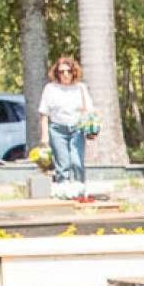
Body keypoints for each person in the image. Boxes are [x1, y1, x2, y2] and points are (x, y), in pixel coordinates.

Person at [38, 56, 96, 193]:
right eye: (61, 71)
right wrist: (44, 136)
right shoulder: (50, 88)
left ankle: (80, 190)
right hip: (58, 129)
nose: (65, 74)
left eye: (68, 71)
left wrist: (91, 129)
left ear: (74, 72)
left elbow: (89, 110)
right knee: (63, 163)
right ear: (56, 73)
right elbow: (44, 113)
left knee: (77, 161)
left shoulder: (80, 88)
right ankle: (62, 191)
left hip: (77, 128)